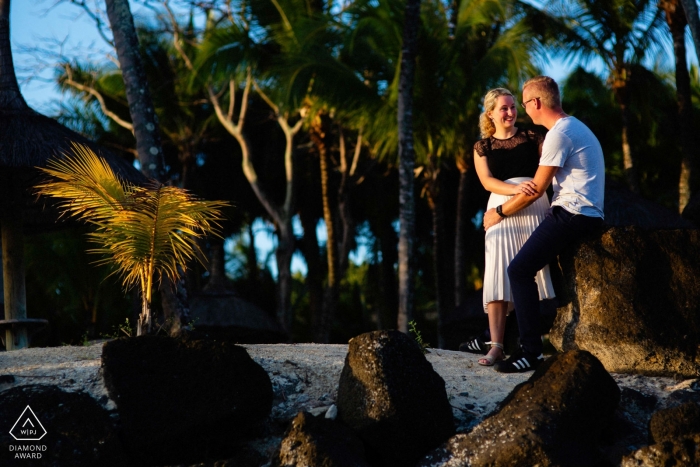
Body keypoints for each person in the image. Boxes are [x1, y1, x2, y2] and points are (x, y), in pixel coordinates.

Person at [481, 76, 605, 373]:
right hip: (584, 212)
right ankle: (514, 344)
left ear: (535, 102)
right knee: (522, 269)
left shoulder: (559, 134)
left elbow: (536, 189)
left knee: (518, 270)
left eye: (523, 104)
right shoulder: (573, 127)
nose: (522, 111)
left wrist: (499, 212)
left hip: (574, 214)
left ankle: (530, 352)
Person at [460, 87, 555, 366]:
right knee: (498, 274)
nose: (511, 112)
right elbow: (487, 181)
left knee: (529, 277)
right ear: (490, 114)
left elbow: (548, 168)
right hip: (500, 206)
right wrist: (514, 191)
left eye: (513, 107)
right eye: (504, 108)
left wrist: (528, 190)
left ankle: (528, 345)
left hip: (535, 203)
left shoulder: (532, 136)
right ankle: (496, 346)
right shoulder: (483, 147)